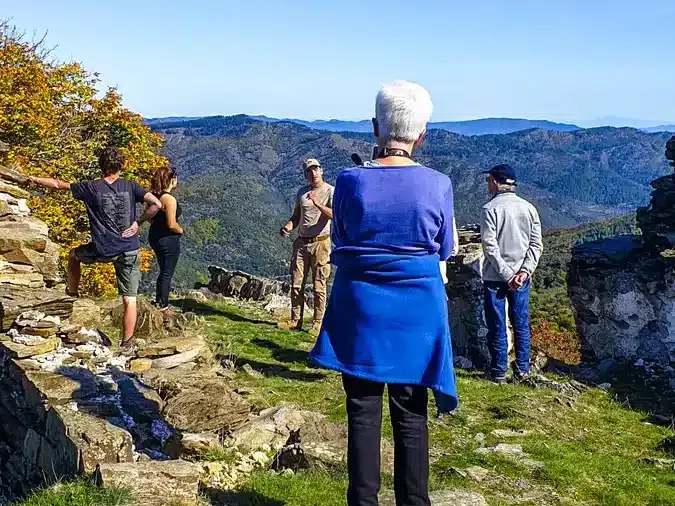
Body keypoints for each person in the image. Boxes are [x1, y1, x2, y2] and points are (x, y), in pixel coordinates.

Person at [310, 81, 457, 506]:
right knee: (412, 413)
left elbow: (340, 238)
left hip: (361, 304)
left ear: (376, 128)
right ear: (422, 134)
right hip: (418, 307)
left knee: (362, 410)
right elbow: (445, 248)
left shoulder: (350, 181)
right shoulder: (438, 184)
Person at [27, 146, 162, 347]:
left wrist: (33, 178)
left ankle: (72, 294)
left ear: (101, 166)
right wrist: (138, 222)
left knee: (74, 255)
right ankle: (126, 344)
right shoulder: (131, 186)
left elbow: (57, 184)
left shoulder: (91, 188)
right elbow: (156, 204)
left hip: (103, 249)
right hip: (129, 248)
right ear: (121, 166)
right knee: (129, 299)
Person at [480, 164, 543, 384]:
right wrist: (524, 272)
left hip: (495, 277)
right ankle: (523, 369)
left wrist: (506, 274)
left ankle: (498, 371)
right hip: (522, 277)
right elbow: (536, 244)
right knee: (521, 323)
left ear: (497, 182)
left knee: (497, 324)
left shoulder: (490, 209)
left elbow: (490, 247)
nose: (487, 183)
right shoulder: (529, 208)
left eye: (489, 180)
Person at [279, 158, 334, 337]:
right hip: (301, 242)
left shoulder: (330, 191)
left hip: (321, 242)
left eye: (316, 169)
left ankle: (317, 323)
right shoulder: (301, 193)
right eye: (309, 171)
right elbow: (296, 216)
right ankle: (295, 320)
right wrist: (287, 226)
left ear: (321, 170)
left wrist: (318, 203)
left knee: (319, 286)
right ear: (305, 175)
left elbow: (336, 215)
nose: (313, 173)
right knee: (296, 284)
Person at [149, 165, 183, 313]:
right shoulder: (169, 199)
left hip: (155, 236)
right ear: (171, 180)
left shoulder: (153, 196)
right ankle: (163, 305)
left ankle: (160, 301)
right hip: (168, 239)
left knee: (163, 270)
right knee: (167, 271)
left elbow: (149, 217)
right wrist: (180, 230)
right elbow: (171, 223)